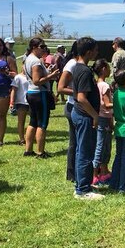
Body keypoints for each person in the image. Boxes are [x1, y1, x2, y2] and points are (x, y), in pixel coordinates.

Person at [70, 37, 103, 200]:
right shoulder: (83, 70)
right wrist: (95, 115)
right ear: (89, 52)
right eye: (96, 50)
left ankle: (81, 183)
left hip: (79, 114)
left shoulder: (77, 67)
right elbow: (82, 97)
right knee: (85, 152)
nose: (97, 53)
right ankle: (82, 190)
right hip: (84, 116)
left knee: (80, 151)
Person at [23, 37, 60, 158]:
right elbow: (37, 81)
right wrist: (51, 76)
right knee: (42, 123)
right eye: (42, 47)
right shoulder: (36, 62)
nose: (44, 49)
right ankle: (40, 151)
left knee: (33, 121)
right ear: (34, 47)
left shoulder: (28, 59)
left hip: (31, 93)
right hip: (40, 94)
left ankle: (28, 150)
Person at [56, 41, 79, 181]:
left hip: (76, 106)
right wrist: (80, 92)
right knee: (75, 143)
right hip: (73, 107)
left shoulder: (75, 64)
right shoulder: (72, 64)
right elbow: (60, 87)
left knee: (76, 142)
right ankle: (72, 173)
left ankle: (74, 173)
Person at [92, 59, 113, 187]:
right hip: (104, 118)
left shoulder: (96, 84)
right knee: (101, 147)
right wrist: (119, 102)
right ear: (103, 69)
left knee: (105, 146)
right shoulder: (105, 86)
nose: (110, 70)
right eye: (108, 67)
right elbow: (107, 104)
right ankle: (95, 175)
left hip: (102, 117)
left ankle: (104, 171)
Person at [10, 64, 30, 146]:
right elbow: (14, 90)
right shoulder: (18, 77)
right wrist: (12, 102)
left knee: (32, 121)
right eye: (24, 65)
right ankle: (21, 139)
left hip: (31, 101)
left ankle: (30, 137)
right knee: (21, 121)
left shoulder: (32, 77)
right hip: (21, 102)